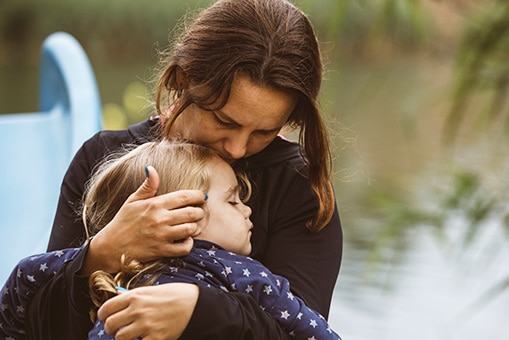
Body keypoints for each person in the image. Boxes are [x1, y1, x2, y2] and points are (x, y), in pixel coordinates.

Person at [38, 0, 343, 339]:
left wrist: (201, 311)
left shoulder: (299, 188)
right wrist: (100, 254)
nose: (238, 149)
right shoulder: (105, 158)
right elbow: (32, 324)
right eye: (224, 120)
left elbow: (304, 331)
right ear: (185, 79)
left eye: (264, 132)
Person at [0, 140, 341, 340]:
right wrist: (100, 251)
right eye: (234, 200)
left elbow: (20, 284)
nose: (247, 210)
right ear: (186, 214)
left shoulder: (119, 279)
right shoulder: (242, 272)